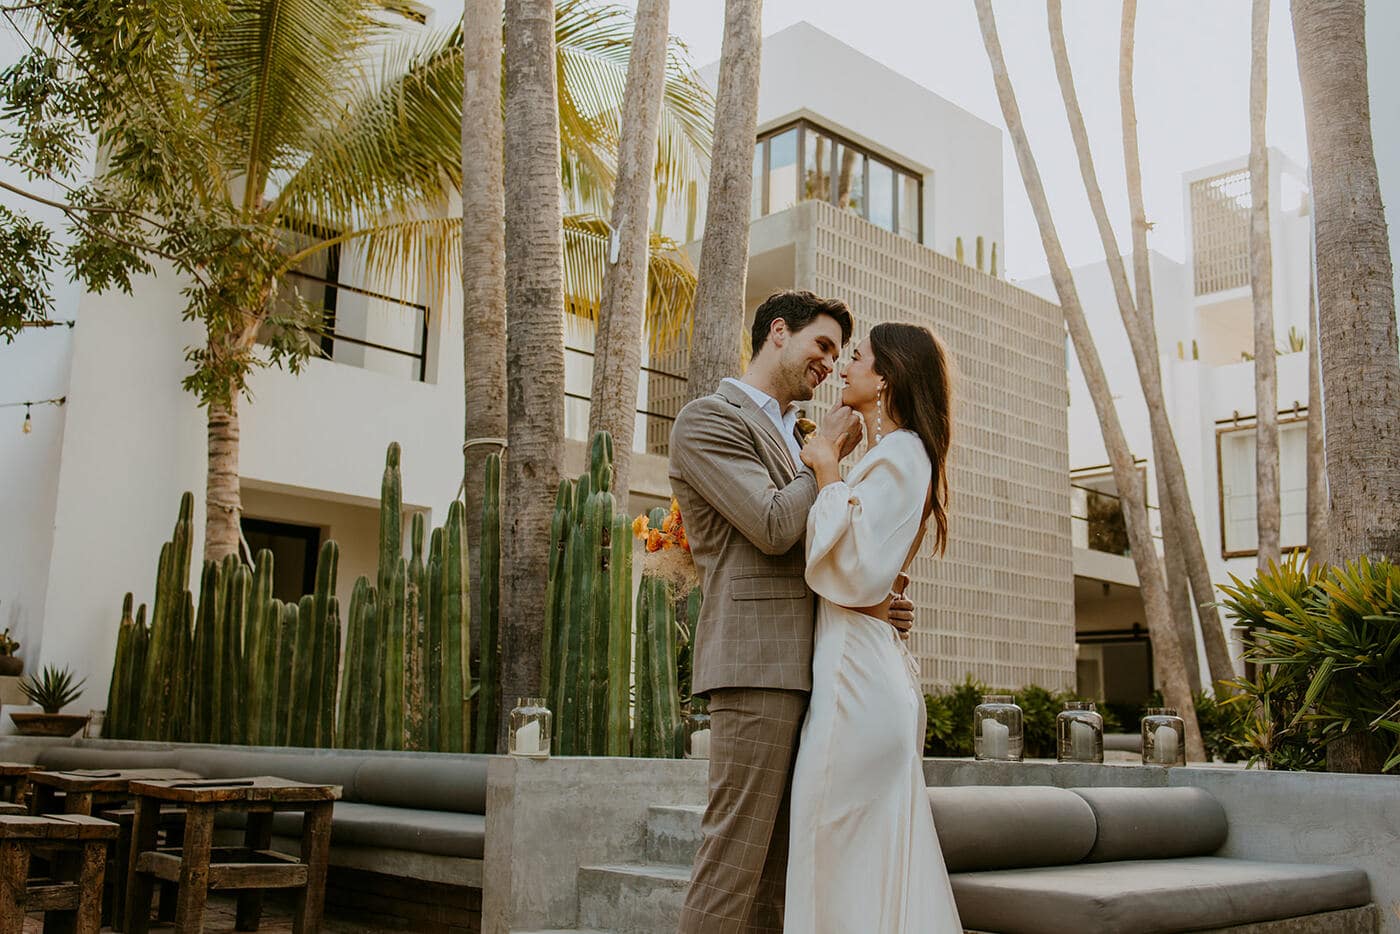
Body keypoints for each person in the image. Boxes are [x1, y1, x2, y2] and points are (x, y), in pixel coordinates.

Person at [669, 291, 916, 933]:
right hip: (757, 669)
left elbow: (822, 551)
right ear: (779, 332)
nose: (831, 365)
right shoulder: (709, 420)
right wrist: (829, 451)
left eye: (840, 353)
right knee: (731, 864)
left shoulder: (797, 435)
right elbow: (775, 526)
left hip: (822, 672)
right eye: (822, 346)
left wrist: (871, 597)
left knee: (781, 874)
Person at [783, 322, 962, 933]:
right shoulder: (898, 456)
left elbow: (857, 570)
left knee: (828, 853)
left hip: (857, 684)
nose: (843, 367)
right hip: (863, 670)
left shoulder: (900, 455)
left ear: (885, 376)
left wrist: (829, 466)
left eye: (855, 357)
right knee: (854, 863)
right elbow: (871, 575)